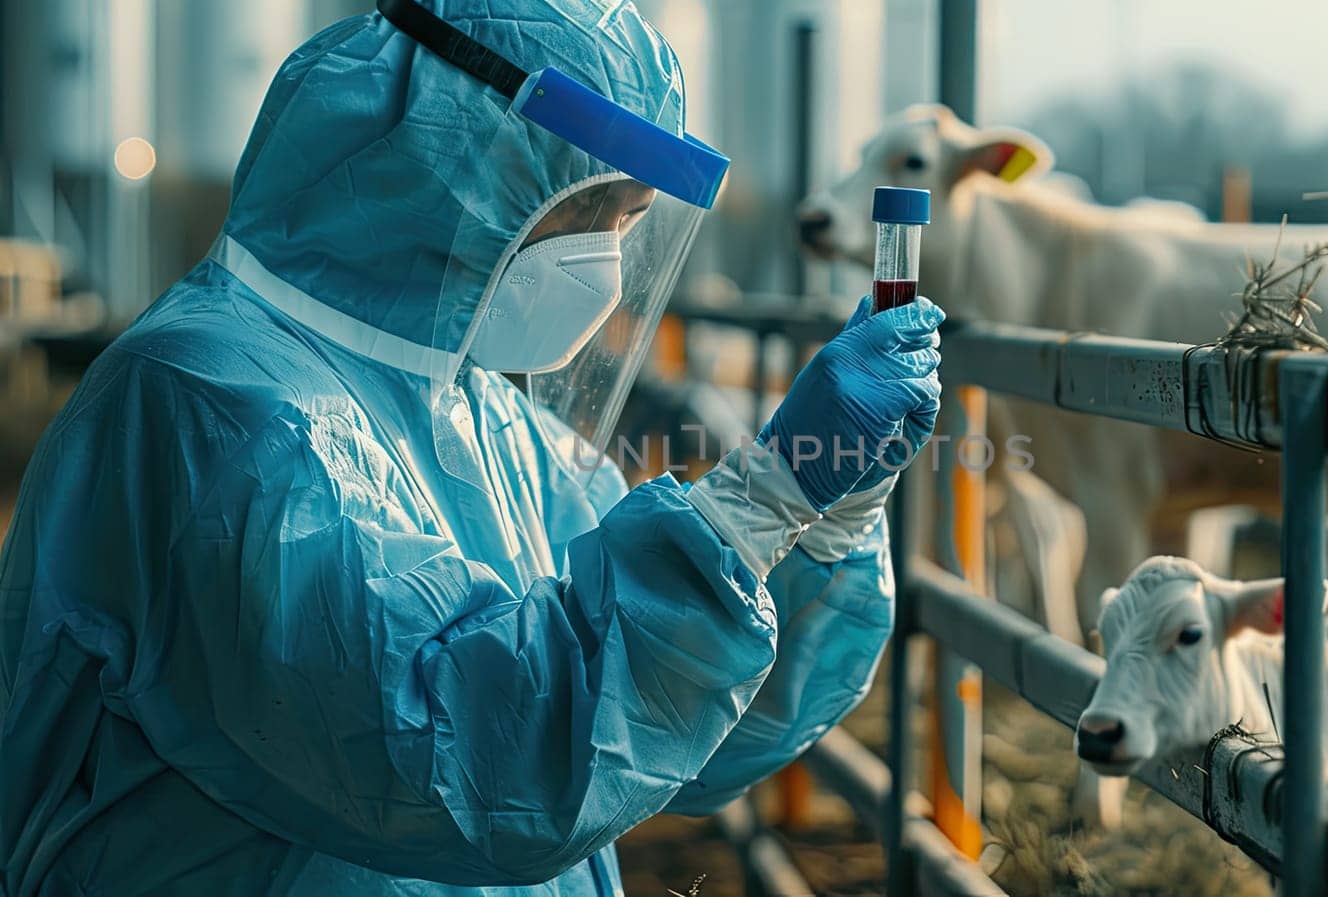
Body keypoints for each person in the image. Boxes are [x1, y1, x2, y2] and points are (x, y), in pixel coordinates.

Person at [0, 1, 942, 895]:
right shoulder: (215, 409)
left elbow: (660, 739)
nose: (610, 261)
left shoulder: (485, 418)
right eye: (598, 208)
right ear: (468, 163)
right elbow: (481, 756)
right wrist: (764, 494)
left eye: (632, 222)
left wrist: (825, 513)